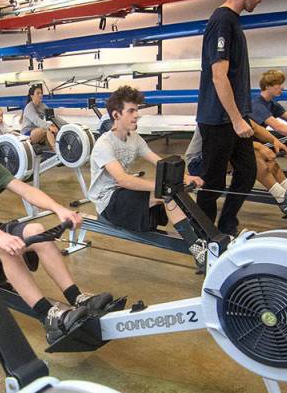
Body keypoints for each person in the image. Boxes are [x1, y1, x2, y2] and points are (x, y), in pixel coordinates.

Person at [0, 106, 113, 344]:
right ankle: (47, 316)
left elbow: (26, 190)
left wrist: (60, 209)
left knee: (38, 232)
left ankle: (77, 297)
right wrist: (1, 237)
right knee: (7, 248)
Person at [87, 86, 208, 269]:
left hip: (123, 195)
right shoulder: (104, 144)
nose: (136, 115)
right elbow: (123, 180)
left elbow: (158, 161)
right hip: (108, 202)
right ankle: (197, 250)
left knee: (172, 195)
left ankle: (201, 242)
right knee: (166, 193)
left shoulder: (134, 138)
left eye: (137, 110)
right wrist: (162, 185)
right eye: (131, 111)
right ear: (116, 115)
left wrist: (185, 177)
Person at [195, 0, 270, 236]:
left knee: (247, 173)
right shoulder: (222, 21)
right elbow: (219, 75)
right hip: (219, 119)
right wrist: (238, 119)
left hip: (234, 118)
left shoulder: (233, 22)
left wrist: (241, 117)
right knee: (212, 183)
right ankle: (204, 239)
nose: (260, 0)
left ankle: (226, 226)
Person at [21, 85, 64, 150]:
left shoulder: (43, 105)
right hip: (27, 134)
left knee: (52, 131)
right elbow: (37, 121)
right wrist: (49, 126)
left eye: (41, 93)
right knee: (47, 129)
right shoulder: (29, 107)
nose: (40, 95)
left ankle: (53, 153)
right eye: (38, 93)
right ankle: (57, 151)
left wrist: (66, 126)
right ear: (32, 96)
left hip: (37, 131)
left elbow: (54, 117)